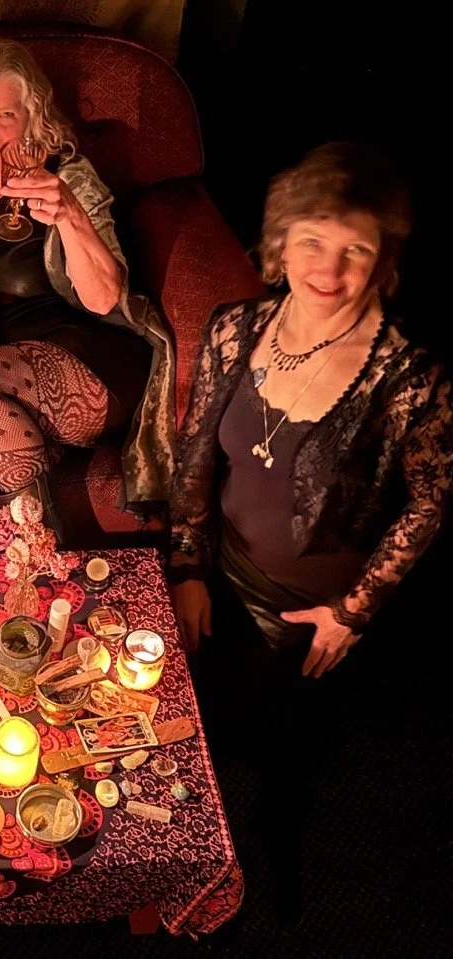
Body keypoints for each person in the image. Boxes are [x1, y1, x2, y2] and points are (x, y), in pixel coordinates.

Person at [169, 141, 451, 911]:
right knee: (185, 728)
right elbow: (196, 454)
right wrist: (188, 568)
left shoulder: (408, 378)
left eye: (355, 249)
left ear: (383, 258)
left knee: (278, 753)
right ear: (281, 242)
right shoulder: (237, 327)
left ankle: (266, 865)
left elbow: (429, 504)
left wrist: (352, 612)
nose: (329, 268)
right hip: (219, 572)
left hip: (306, 612)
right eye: (313, 241)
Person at [0, 38, 174, 539]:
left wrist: (70, 215)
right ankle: (37, 572)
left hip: (90, 363)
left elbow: (104, 298)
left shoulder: (64, 178)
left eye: (6, 116)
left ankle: (46, 558)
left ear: (32, 120)